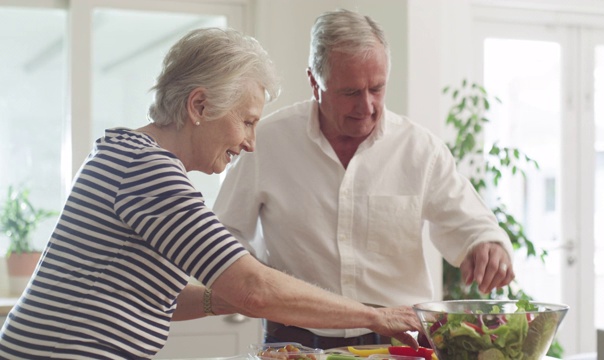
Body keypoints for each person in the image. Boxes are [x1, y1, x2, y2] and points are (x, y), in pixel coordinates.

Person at [0, 27, 423, 359]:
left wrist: (221, 299)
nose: (251, 143)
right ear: (199, 107)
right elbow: (253, 288)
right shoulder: (147, 170)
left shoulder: (127, 155)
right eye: (247, 122)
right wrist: (375, 315)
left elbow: (146, 294)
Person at [213, 9, 516, 349]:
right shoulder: (266, 142)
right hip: (294, 340)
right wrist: (258, 280)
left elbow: (472, 226)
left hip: (403, 340)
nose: (367, 105)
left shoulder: (421, 149)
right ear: (315, 82)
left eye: (377, 88)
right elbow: (226, 233)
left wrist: (487, 245)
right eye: (350, 92)